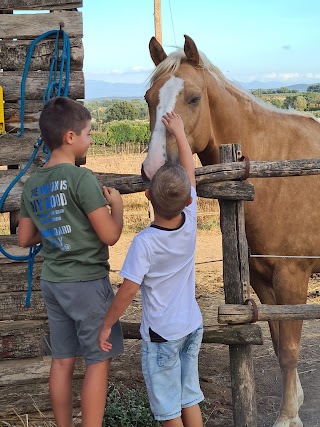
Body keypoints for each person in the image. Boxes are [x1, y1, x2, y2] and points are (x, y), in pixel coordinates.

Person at [18, 96, 124, 427]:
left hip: (53, 283)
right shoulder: (81, 179)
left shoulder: (33, 183)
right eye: (88, 134)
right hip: (87, 285)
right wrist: (117, 207)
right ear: (70, 137)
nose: (90, 140)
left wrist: (53, 230)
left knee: (62, 361)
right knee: (97, 360)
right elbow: (109, 235)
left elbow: (24, 238)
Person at [98, 111, 204, 427]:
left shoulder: (145, 243)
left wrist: (106, 324)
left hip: (162, 336)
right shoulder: (191, 219)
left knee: (169, 408)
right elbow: (190, 174)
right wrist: (180, 132)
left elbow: (128, 290)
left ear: (147, 195)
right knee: (189, 397)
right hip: (191, 326)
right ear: (187, 199)